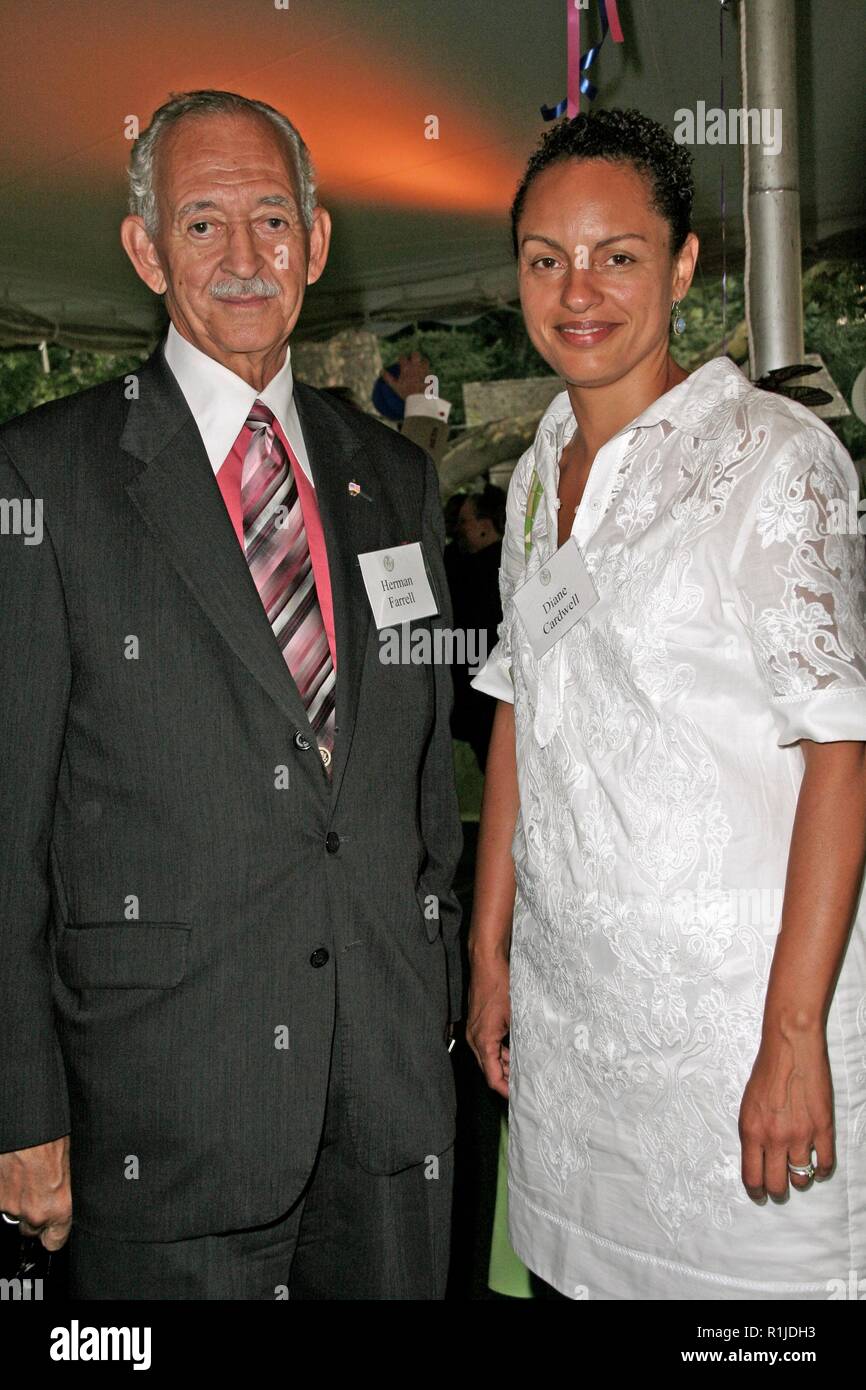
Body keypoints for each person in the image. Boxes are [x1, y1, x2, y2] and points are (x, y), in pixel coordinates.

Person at [0, 88, 462, 1300]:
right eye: (202, 225)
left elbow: (417, 786)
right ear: (146, 250)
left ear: (315, 241)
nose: (246, 257)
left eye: (271, 219)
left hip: (386, 1098)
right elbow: (6, 832)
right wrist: (18, 1107)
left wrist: (440, 984)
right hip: (162, 1113)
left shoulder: (395, 478)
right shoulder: (46, 476)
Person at [468, 107, 866, 1300]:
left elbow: (840, 752)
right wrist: (488, 952)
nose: (576, 289)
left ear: (684, 264)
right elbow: (513, 717)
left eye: (617, 254)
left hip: (738, 1025)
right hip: (575, 1028)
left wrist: (791, 1037)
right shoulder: (536, 467)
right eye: (545, 258)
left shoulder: (771, 457)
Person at [445, 486, 507, 771]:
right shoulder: (487, 567)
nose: (457, 529)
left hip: (487, 699)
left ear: (485, 525)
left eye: (464, 521)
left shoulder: (482, 573)